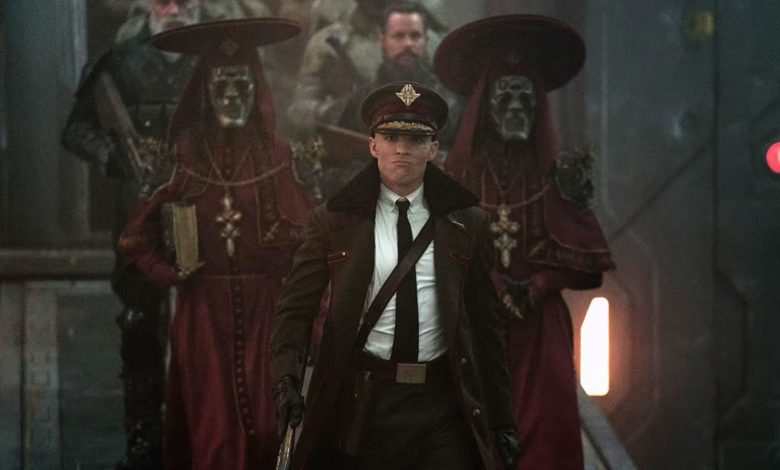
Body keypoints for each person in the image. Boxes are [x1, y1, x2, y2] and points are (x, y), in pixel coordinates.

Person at [269, 82, 522, 469]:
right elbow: (294, 310)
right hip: (366, 403)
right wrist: (285, 380)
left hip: (442, 403)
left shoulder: (466, 223)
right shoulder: (334, 222)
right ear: (373, 145)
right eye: (391, 137)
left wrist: (502, 420)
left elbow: (486, 327)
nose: (402, 149)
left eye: (415, 139)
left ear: (433, 149)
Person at [118, 18, 311, 469]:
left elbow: (312, 239)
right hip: (202, 316)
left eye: (242, 85)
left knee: (270, 428)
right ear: (204, 93)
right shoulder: (182, 157)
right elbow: (135, 238)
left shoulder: (279, 155)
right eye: (221, 85)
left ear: (256, 90)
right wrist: (170, 272)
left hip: (267, 313)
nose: (232, 97)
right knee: (215, 438)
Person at [436, 15, 616, 469]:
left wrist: (536, 287)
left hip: (538, 332)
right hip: (476, 329)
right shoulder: (461, 174)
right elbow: (441, 250)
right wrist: (495, 287)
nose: (516, 106)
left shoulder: (555, 174)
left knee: (544, 438)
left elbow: (587, 258)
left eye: (524, 95)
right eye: (505, 95)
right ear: (486, 103)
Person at [61, 1, 203, 468]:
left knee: (206, 328)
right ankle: (143, 443)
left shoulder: (212, 60)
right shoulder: (120, 63)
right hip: (138, 215)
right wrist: (112, 155)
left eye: (185, 1)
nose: (175, 10)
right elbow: (77, 129)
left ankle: (200, 442)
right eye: (166, 1)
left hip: (202, 212)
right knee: (140, 323)